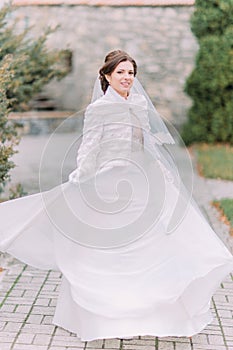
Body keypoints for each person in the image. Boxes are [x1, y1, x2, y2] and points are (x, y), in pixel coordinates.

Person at [0, 50, 233, 341]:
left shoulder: (138, 103)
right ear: (107, 76)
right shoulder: (99, 109)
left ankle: (149, 312)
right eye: (121, 72)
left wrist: (162, 171)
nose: (127, 78)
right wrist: (81, 177)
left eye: (131, 73)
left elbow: (146, 142)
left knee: (148, 244)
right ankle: (101, 317)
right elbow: (89, 146)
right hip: (106, 185)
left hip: (140, 182)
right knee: (105, 248)